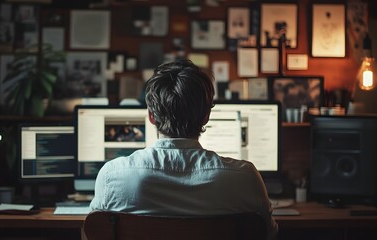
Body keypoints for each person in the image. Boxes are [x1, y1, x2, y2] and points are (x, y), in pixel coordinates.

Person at [90, 59, 278, 239]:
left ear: (151, 116)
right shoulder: (245, 177)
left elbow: (92, 233)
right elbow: (269, 234)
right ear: (206, 116)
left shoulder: (111, 176)